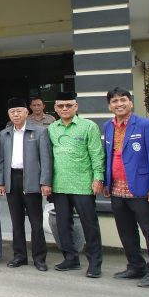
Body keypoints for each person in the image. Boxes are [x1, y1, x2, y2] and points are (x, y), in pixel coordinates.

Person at [102, 87, 149, 287]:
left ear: (130, 102)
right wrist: (106, 181)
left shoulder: (145, 125)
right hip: (116, 188)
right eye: (114, 101)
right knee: (125, 230)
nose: (119, 104)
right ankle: (135, 266)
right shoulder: (107, 126)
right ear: (109, 105)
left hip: (140, 187)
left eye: (123, 100)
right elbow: (107, 155)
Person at [44, 91, 105, 278]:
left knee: (90, 225)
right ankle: (70, 258)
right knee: (63, 225)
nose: (64, 109)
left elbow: (96, 154)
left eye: (68, 105)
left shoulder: (88, 126)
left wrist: (98, 178)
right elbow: (48, 158)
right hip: (59, 185)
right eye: (60, 106)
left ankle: (95, 263)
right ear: (55, 108)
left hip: (83, 184)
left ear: (76, 107)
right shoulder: (52, 128)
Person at [0, 97, 53, 271]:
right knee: (16, 221)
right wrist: (0, 182)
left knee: (36, 222)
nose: (16, 114)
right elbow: (1, 160)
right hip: (12, 179)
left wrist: (45, 182)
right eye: (12, 112)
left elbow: (46, 159)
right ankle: (19, 255)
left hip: (32, 180)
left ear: (26, 112)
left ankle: (39, 258)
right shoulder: (5, 133)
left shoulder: (39, 131)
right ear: (9, 114)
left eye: (19, 111)